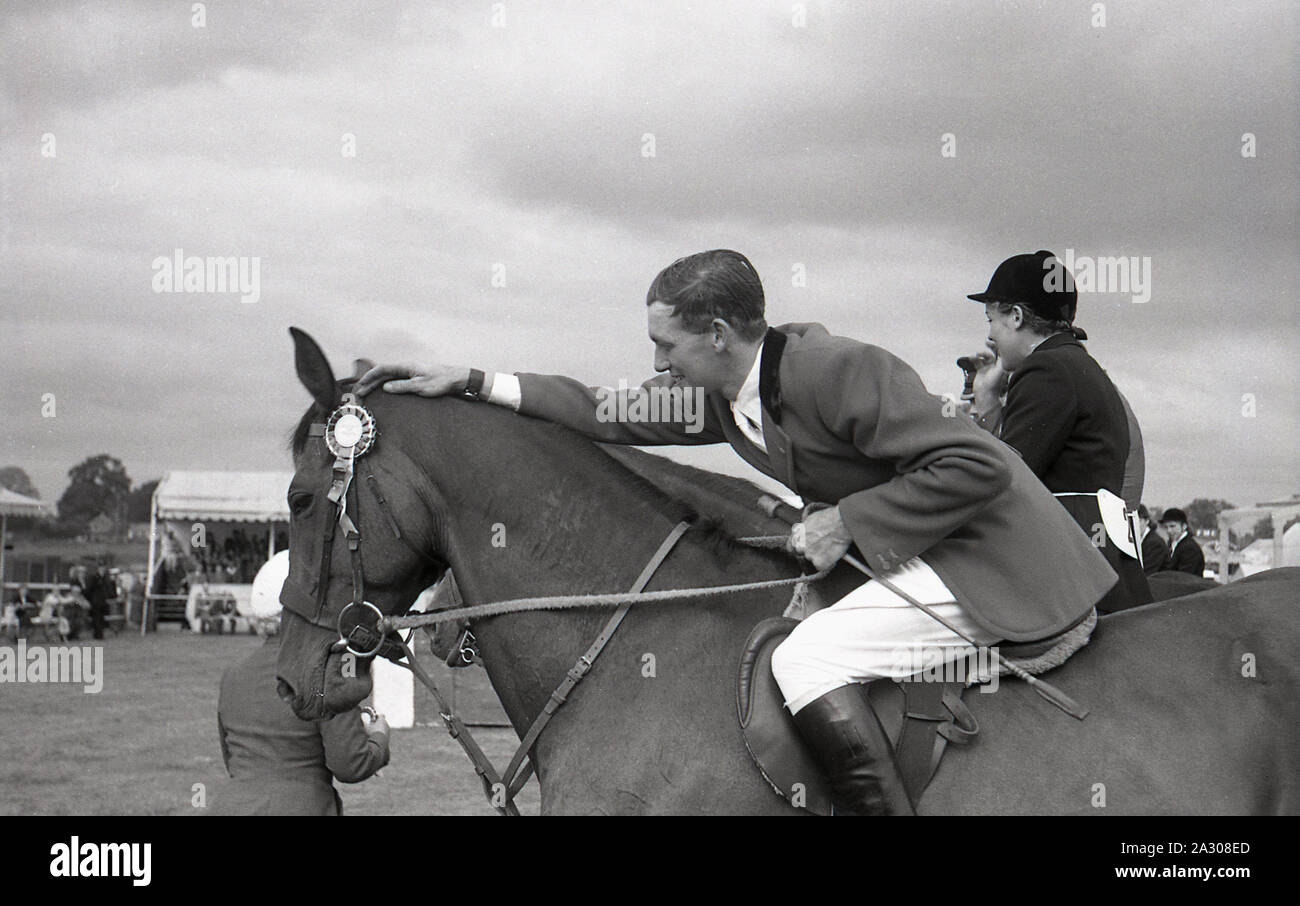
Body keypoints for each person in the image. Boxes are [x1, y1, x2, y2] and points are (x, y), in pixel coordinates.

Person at [353, 248, 1116, 816]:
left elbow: (976, 466)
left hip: (996, 557)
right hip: (926, 549)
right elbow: (609, 410)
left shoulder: (836, 369)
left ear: (717, 334)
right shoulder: (725, 394)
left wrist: (849, 520)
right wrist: (482, 383)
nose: (656, 363)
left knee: (809, 659)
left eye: (667, 346)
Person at [967, 250, 1152, 614]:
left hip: (1068, 576)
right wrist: (989, 400)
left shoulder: (1045, 370)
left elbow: (1001, 483)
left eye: (992, 319)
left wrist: (985, 402)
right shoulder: (1079, 363)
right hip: (1109, 567)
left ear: (1016, 316)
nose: (990, 335)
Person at [214, 550, 390, 815]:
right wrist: (379, 736)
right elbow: (351, 765)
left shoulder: (233, 674)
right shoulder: (327, 671)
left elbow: (232, 758)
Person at [1160, 507, 1206, 577]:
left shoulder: (1190, 548)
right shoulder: (1173, 544)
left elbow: (1184, 578)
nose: (1168, 531)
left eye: (1172, 526)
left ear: (1184, 526)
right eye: (1166, 527)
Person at [1138, 505, 1170, 575]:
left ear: (1147, 521)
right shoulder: (1139, 540)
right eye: (1130, 521)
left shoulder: (1155, 543)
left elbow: (1147, 573)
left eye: (1138, 521)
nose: (1134, 525)